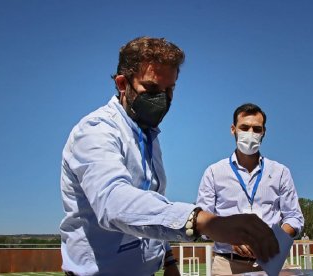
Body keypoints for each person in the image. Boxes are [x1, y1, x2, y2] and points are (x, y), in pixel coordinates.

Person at [60, 37, 280, 276]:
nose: (162, 99)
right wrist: (203, 221)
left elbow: (151, 206)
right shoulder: (96, 131)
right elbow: (114, 202)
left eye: (169, 90)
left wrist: (168, 261)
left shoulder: (148, 135)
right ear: (123, 84)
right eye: (152, 89)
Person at [196, 103, 304, 275]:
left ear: (264, 132)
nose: (250, 134)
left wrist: (270, 240)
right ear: (233, 129)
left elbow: (294, 217)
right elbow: (203, 223)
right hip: (227, 265)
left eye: (256, 129)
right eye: (244, 127)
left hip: (271, 262)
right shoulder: (213, 173)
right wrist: (229, 237)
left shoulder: (280, 172)